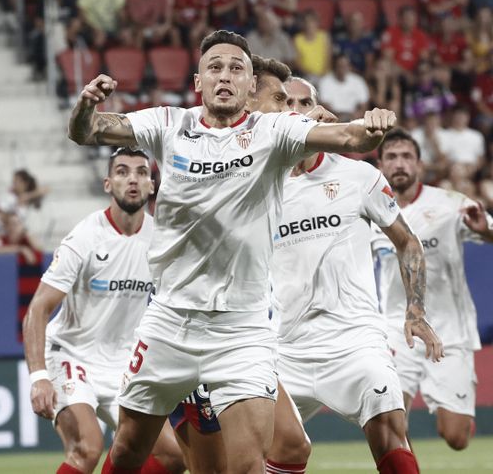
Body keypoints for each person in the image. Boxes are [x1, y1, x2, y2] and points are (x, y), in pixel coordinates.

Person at [67, 29, 402, 473]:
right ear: (198, 82)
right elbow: (86, 131)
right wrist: (87, 104)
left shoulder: (275, 131)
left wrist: (372, 125)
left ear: (248, 87)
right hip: (170, 319)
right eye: (216, 67)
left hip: (242, 330)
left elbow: (351, 140)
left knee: (248, 465)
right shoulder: (170, 124)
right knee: (128, 450)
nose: (225, 75)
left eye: (237, 68)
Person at [272, 78, 443, 474]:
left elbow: (408, 243)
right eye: (286, 102)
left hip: (354, 341)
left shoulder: (358, 176)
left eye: (305, 102)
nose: (296, 110)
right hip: (283, 347)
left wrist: (415, 310)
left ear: (322, 112)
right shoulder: (263, 182)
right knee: (254, 449)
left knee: (389, 427)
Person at [24, 147, 185, 474]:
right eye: (123, 172)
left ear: (152, 185)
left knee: (174, 456)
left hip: (124, 364)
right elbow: (38, 308)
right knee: (87, 448)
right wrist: (39, 376)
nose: (133, 180)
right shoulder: (85, 237)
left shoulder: (161, 240)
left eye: (141, 172)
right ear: (108, 184)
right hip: (71, 355)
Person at [374, 129, 493, 451]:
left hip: (450, 331)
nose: (400, 164)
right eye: (392, 157)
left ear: (420, 165)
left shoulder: (450, 203)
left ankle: (457, 413)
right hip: (398, 332)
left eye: (406, 157)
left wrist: (486, 231)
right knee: (389, 421)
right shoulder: (371, 210)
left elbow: (489, 230)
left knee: (455, 438)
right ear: (380, 165)